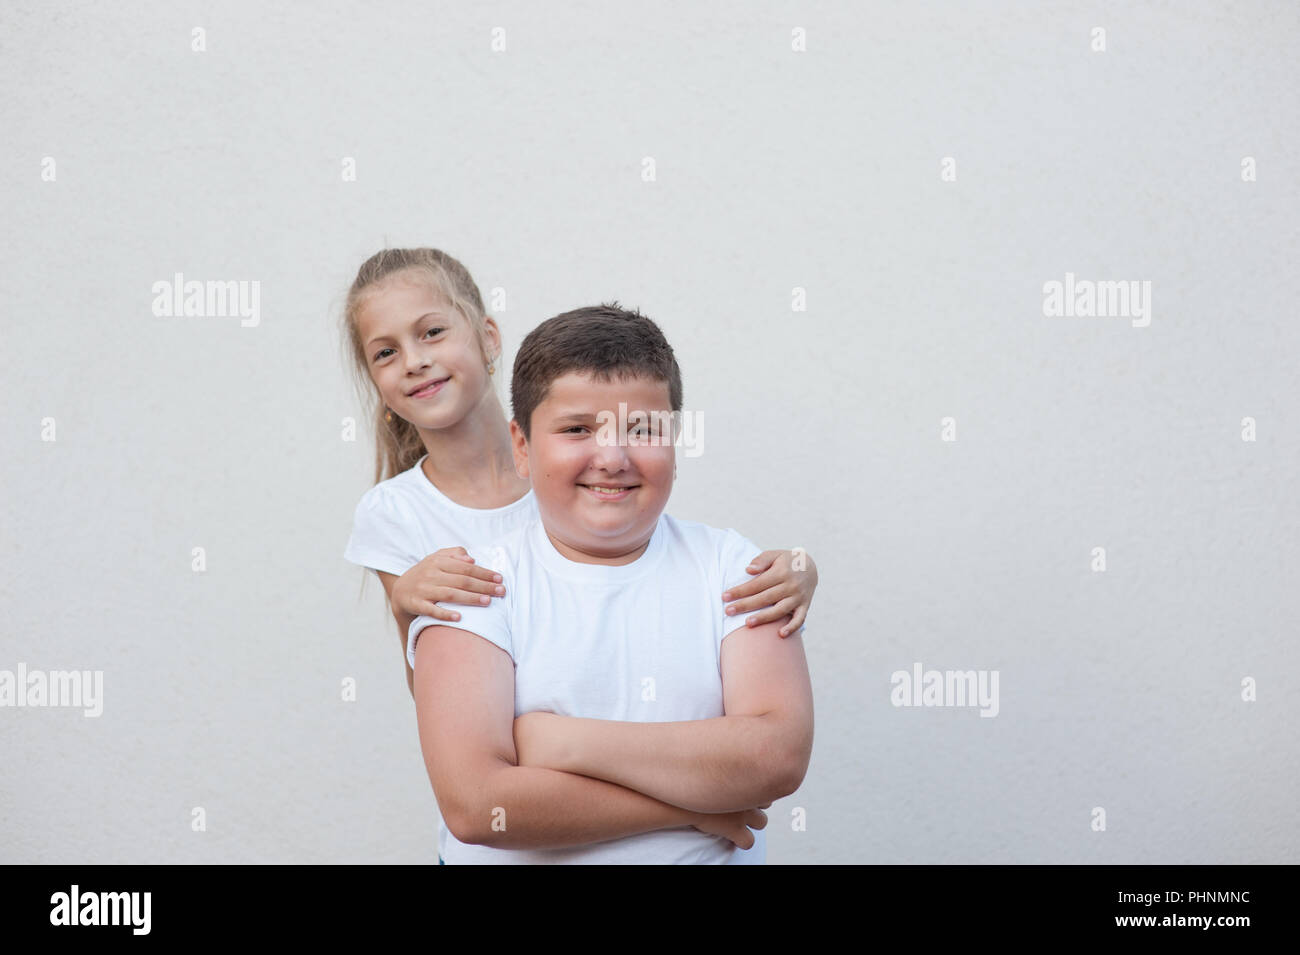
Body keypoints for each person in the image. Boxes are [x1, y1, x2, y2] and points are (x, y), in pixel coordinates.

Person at [341, 248, 819, 860]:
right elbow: (475, 802)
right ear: (525, 446)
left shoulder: (731, 568)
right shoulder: (463, 576)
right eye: (576, 430)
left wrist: (557, 742)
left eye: (641, 429)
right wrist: (693, 802)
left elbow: (775, 756)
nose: (612, 456)